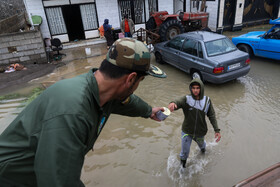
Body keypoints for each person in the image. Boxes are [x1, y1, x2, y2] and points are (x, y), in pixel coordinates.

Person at [0, 38, 167, 186]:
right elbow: (58, 181)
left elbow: (127, 102)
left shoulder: (102, 90)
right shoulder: (73, 113)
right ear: (130, 79)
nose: (137, 86)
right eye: (140, 80)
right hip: (12, 179)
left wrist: (149, 111)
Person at [168, 79, 221, 168]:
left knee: (203, 147)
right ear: (191, 89)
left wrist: (217, 130)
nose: (195, 90)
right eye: (193, 88)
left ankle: (203, 152)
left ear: (201, 89)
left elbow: (211, 115)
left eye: (197, 88)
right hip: (187, 132)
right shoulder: (187, 99)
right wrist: (173, 103)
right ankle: (182, 169)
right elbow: (178, 101)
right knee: (184, 153)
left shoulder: (207, 100)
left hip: (200, 132)